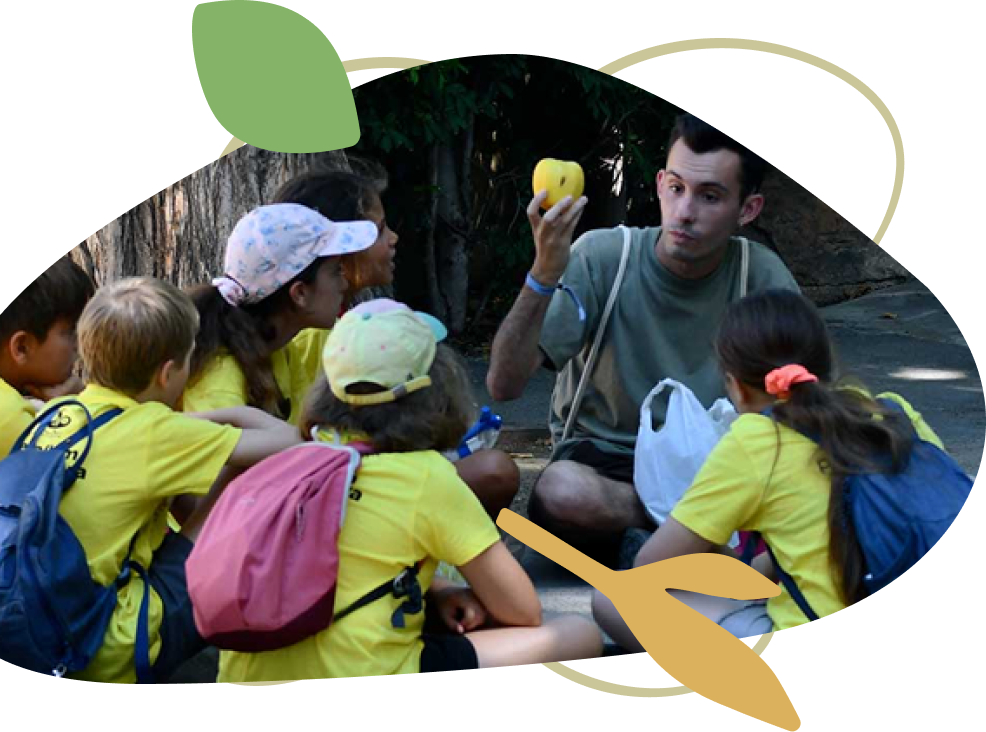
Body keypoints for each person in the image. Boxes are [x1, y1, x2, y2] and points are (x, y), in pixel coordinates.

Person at [216, 298, 605, 681]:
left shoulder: (296, 457)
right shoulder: (426, 477)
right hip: (364, 666)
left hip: (244, 670)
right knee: (578, 634)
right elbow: (522, 610)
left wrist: (436, 589)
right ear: (434, 389)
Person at [486, 113, 801, 566]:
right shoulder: (602, 256)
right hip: (611, 462)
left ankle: (651, 545)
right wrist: (542, 274)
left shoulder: (761, 275)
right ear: (658, 184)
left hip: (717, 469)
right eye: (676, 188)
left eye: (709, 196)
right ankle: (695, 540)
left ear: (747, 209)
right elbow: (504, 385)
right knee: (562, 490)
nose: (685, 211)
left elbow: (807, 402)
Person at [591, 288, 948, 646]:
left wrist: (709, 541)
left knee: (614, 599)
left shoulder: (758, 439)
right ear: (827, 365)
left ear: (735, 386)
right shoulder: (892, 411)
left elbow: (652, 563)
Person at [34, 276, 304, 683]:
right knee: (237, 468)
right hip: (109, 645)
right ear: (166, 374)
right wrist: (215, 419)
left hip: (42, 625)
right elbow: (289, 441)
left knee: (171, 483)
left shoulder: (58, 413)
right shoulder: (155, 433)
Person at [271, 162, 520, 520]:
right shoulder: (317, 334)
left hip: (350, 475)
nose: (393, 238)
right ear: (343, 247)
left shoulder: (341, 317)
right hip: (334, 488)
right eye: (380, 229)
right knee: (493, 472)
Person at [179, 202, 378, 425]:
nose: (344, 283)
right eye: (336, 272)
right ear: (300, 293)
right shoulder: (220, 379)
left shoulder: (280, 349)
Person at [1, 256, 93, 456]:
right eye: (71, 333)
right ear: (22, 348)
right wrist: (79, 404)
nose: (80, 347)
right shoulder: (10, 419)